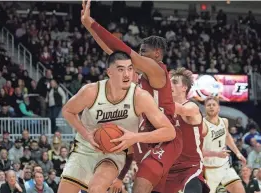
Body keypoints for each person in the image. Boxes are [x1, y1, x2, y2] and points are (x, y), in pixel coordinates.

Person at [81, 1, 182, 192]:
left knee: (140, 185)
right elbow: (113, 52)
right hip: (147, 137)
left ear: (157, 53)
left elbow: (123, 50)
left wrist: (93, 23)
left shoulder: (158, 70)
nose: (140, 55)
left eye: (144, 52)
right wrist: (88, 27)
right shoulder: (141, 75)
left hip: (165, 137)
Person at [58, 51, 176, 193]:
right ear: (109, 72)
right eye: (121, 69)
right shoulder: (91, 91)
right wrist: (87, 134)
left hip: (115, 152)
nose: (127, 74)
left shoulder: (140, 97)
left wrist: (135, 137)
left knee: (96, 188)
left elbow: (169, 131)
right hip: (85, 148)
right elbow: (68, 111)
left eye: (130, 68)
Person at [151, 68, 209, 193]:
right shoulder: (164, 112)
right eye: (169, 82)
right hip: (168, 167)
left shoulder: (191, 106)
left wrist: (153, 97)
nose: (170, 85)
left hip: (190, 167)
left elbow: (182, 111)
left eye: (175, 82)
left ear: (184, 87)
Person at [203, 96, 247, 193]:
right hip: (209, 169)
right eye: (208, 105)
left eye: (213, 105)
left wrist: (238, 153)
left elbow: (227, 136)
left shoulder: (224, 121)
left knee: (240, 190)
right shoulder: (202, 125)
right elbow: (197, 150)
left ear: (218, 108)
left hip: (224, 166)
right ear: (205, 108)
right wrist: (216, 154)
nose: (211, 107)